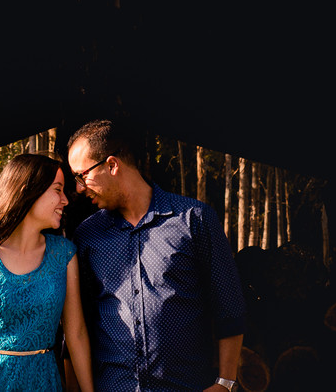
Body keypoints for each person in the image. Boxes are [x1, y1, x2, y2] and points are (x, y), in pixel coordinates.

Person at [67, 120, 246, 392]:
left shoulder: (194, 219)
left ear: (112, 165)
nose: (80, 188)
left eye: (82, 176)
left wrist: (225, 382)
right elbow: (78, 325)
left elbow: (229, 307)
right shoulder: (87, 236)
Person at [0, 153, 96, 392]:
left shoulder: (64, 255)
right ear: (28, 191)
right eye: (57, 190)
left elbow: (76, 334)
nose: (65, 200)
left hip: (42, 383)